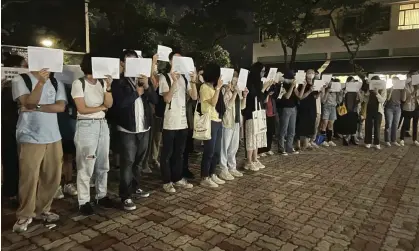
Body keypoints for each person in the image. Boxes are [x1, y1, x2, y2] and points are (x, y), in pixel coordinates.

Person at [12, 67, 67, 233]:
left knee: (52, 176)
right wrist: (41, 84)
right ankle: (24, 214)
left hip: (54, 135)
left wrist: (36, 108)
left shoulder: (57, 82)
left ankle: (42, 209)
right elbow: (27, 102)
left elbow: (60, 107)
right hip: (30, 135)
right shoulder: (21, 79)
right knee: (29, 177)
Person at [112, 50, 157, 211]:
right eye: (128, 61)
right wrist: (136, 93)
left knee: (139, 162)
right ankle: (125, 196)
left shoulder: (142, 79)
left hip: (144, 127)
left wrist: (147, 86)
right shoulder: (118, 82)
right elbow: (119, 105)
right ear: (122, 64)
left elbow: (155, 100)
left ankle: (135, 187)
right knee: (127, 163)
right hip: (127, 129)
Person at [72, 53, 114, 215]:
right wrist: (102, 107)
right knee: (86, 164)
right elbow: (81, 108)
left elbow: (109, 104)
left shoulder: (102, 83)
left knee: (103, 163)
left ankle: (101, 194)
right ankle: (83, 200)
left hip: (102, 125)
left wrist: (108, 87)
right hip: (86, 125)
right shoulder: (79, 83)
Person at [159, 51, 198, 193]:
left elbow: (194, 97)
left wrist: (193, 81)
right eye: (176, 60)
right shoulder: (164, 78)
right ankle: (167, 181)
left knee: (179, 152)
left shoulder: (185, 79)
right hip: (169, 122)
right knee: (167, 153)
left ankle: (177, 177)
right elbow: (167, 99)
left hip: (183, 122)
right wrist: (174, 81)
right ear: (171, 62)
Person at [1, 55, 27, 204]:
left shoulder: (22, 84)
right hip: (8, 127)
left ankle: (17, 192)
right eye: (24, 66)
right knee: (11, 160)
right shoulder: (5, 86)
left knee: (20, 161)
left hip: (20, 126)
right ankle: (10, 193)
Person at [219, 73, 248, 180]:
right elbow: (227, 106)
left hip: (236, 122)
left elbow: (242, 106)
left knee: (234, 147)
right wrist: (235, 93)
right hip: (227, 122)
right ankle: (223, 169)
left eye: (237, 81)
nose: (236, 84)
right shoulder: (224, 91)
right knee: (224, 147)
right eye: (234, 81)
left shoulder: (237, 91)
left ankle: (232, 167)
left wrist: (244, 96)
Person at [242, 62, 268, 169]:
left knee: (258, 136)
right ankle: (248, 160)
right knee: (251, 137)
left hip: (259, 112)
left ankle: (255, 158)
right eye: (262, 71)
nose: (263, 73)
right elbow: (254, 97)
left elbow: (263, 99)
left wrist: (267, 87)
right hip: (251, 113)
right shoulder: (250, 82)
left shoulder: (259, 82)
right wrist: (263, 88)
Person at [361, 76, 387, 149]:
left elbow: (382, 100)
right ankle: (367, 142)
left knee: (377, 127)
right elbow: (365, 99)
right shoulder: (369, 89)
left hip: (378, 110)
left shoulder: (383, 89)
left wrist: (377, 93)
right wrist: (366, 92)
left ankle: (377, 143)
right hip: (369, 109)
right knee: (368, 126)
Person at [295, 69, 318, 150]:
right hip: (303, 107)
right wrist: (309, 91)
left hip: (312, 106)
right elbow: (301, 97)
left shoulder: (315, 84)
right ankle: (297, 143)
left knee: (310, 124)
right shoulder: (302, 84)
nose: (311, 74)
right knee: (300, 124)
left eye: (312, 73)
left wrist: (322, 91)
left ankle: (306, 143)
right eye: (309, 73)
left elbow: (316, 96)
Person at [277, 71, 299, 155]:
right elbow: (287, 96)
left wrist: (300, 86)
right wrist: (292, 86)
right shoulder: (282, 85)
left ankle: (289, 147)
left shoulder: (294, 86)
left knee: (292, 129)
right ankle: (281, 148)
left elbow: (299, 96)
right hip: (285, 108)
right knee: (283, 129)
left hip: (293, 108)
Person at [335, 76, 360, 146]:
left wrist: (358, 93)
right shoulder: (343, 90)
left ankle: (352, 138)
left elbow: (360, 100)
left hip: (354, 109)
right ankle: (345, 139)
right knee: (345, 124)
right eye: (351, 81)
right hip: (345, 109)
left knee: (353, 124)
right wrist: (343, 94)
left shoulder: (356, 90)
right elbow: (339, 101)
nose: (352, 83)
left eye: (353, 81)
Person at [259, 75, 280, 156]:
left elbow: (277, 96)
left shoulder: (273, 95)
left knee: (270, 133)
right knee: (263, 133)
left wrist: (275, 85)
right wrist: (267, 93)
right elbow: (264, 101)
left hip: (272, 114)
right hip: (265, 114)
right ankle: (261, 150)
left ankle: (268, 148)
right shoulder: (263, 92)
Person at [319, 79, 342, 147]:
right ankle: (322, 141)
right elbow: (323, 101)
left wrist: (340, 93)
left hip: (333, 107)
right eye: (330, 83)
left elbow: (339, 101)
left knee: (331, 124)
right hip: (326, 107)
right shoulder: (324, 89)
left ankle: (329, 140)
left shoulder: (336, 92)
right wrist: (327, 92)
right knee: (324, 124)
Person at [400, 70, 419, 146]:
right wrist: (415, 90)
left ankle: (414, 140)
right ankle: (402, 139)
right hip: (408, 107)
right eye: (414, 75)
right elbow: (405, 99)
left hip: (416, 107)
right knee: (405, 123)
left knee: (415, 124)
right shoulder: (406, 86)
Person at [384, 77, 403, 146]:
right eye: (394, 81)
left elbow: (403, 99)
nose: (395, 83)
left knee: (395, 124)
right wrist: (391, 90)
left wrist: (403, 90)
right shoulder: (389, 89)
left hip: (398, 108)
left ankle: (393, 140)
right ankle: (387, 140)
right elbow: (387, 99)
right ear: (392, 82)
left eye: (397, 82)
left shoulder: (401, 90)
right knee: (388, 124)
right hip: (389, 108)